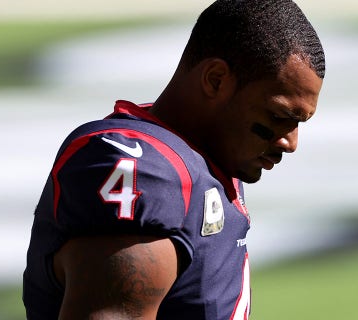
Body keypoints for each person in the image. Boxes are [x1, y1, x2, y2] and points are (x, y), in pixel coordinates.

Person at [23, 0, 325, 319]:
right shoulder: (144, 169)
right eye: (278, 116)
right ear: (216, 80)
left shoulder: (211, 153)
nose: (289, 142)